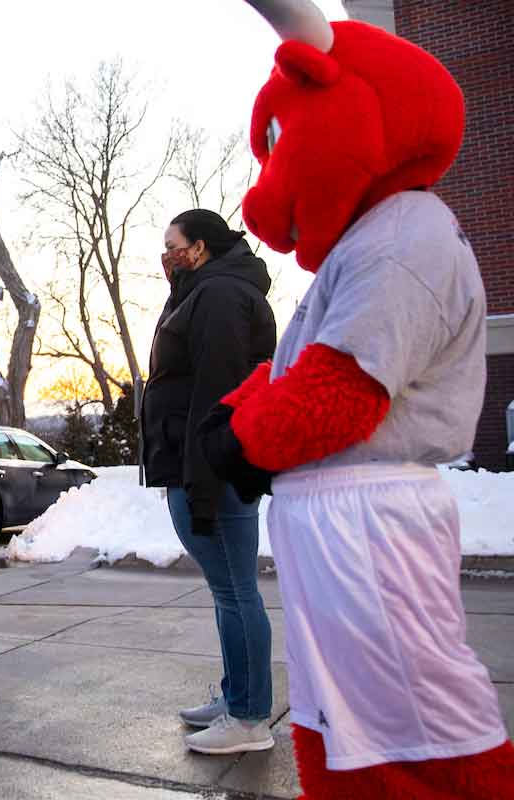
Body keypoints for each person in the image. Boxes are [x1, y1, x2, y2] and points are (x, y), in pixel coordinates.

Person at [200, 3, 513, 796]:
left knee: (418, 730)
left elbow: (341, 391)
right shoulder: (365, 241)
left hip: (369, 521)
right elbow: (301, 362)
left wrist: (245, 440)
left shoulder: (409, 236)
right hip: (335, 521)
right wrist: (239, 411)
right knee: (344, 723)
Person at [141, 210, 277, 755]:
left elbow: (216, 397)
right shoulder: (204, 291)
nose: (166, 254)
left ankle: (248, 718)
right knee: (228, 592)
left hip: (213, 468)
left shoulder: (219, 295)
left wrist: (200, 482)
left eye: (172, 244)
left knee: (238, 590)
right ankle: (235, 697)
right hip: (198, 463)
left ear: (198, 247)